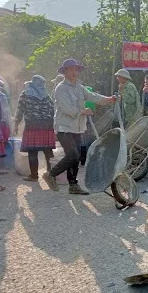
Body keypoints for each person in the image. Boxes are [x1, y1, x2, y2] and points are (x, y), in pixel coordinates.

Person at [42, 59, 116, 195]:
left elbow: (92, 96)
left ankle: (73, 185)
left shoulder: (79, 87)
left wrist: (108, 99)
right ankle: (51, 174)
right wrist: (83, 111)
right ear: (65, 71)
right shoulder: (60, 88)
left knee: (75, 157)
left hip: (77, 127)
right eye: (71, 69)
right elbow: (67, 109)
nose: (74, 72)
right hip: (64, 128)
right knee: (73, 155)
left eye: (76, 70)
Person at [14, 75, 55, 182]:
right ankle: (51, 173)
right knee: (48, 151)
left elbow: (19, 111)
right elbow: (53, 111)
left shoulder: (25, 94)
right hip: (46, 126)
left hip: (32, 126)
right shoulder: (46, 96)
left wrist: (16, 124)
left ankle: (34, 175)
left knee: (32, 151)